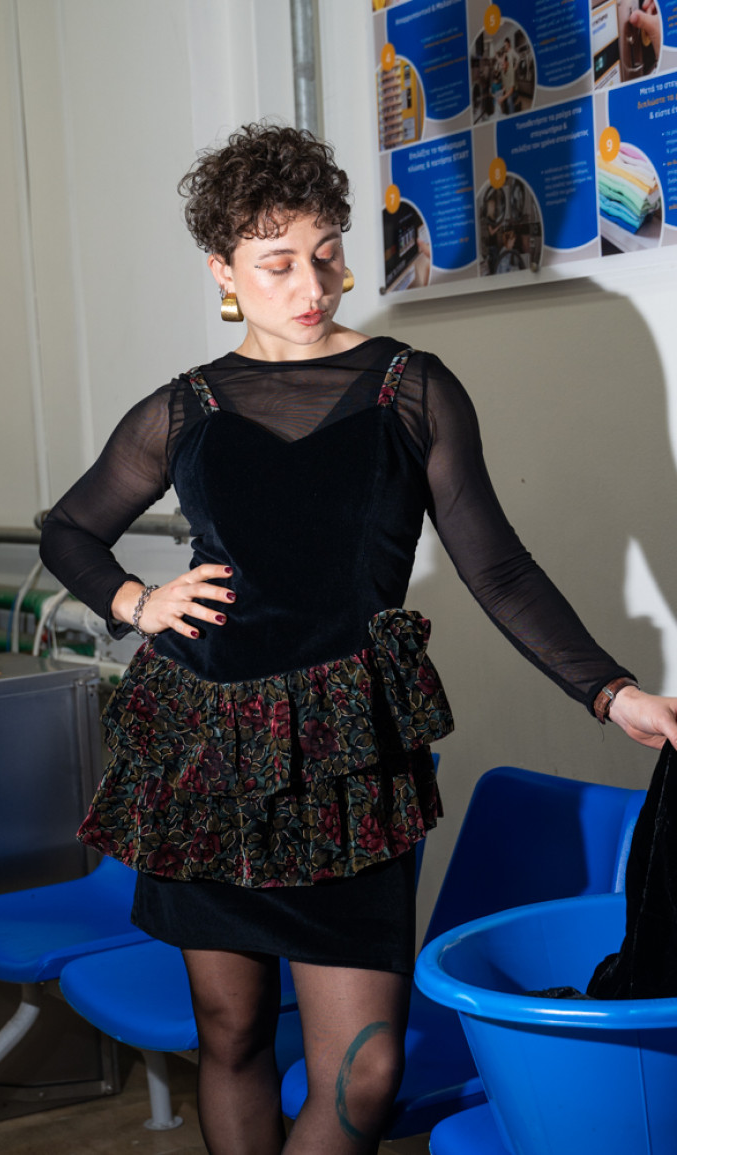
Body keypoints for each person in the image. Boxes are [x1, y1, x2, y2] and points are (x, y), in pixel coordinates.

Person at [39, 122, 676, 1154]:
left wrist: (613, 692)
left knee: (365, 1071)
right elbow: (69, 528)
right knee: (231, 1033)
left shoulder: (412, 388)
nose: (312, 284)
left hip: (349, 757)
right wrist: (132, 601)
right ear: (224, 271)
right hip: (208, 751)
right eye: (277, 263)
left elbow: (498, 567)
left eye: (327, 253)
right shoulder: (183, 408)